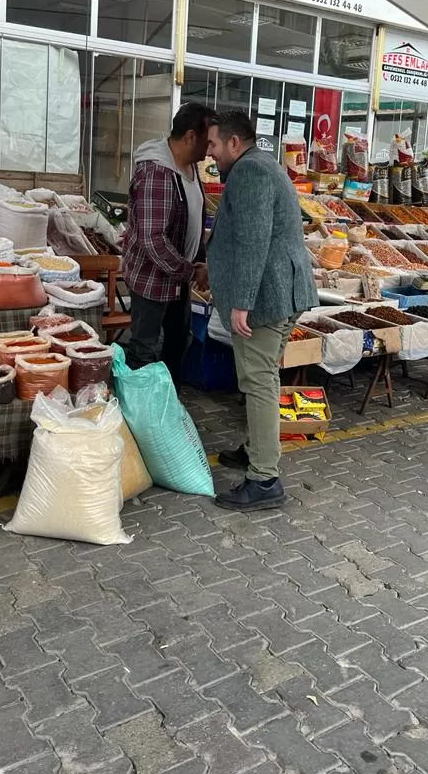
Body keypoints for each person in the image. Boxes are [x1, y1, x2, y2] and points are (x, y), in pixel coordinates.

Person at [205, 110, 318, 510]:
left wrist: (242, 303)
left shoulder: (250, 172)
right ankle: (256, 449)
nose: (210, 153)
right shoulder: (261, 164)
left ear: (234, 143)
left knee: (258, 379)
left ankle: (264, 479)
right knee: (263, 373)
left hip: (265, 297)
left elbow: (254, 241)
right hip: (282, 290)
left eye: (214, 145)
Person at [122, 102, 217, 389]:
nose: (210, 150)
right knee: (144, 350)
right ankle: (139, 411)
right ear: (190, 136)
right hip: (153, 281)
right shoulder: (158, 173)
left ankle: (166, 406)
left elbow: (193, 217)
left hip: (177, 279)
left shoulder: (188, 167)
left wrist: (197, 261)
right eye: (207, 141)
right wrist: (190, 271)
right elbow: (153, 239)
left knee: (177, 341)